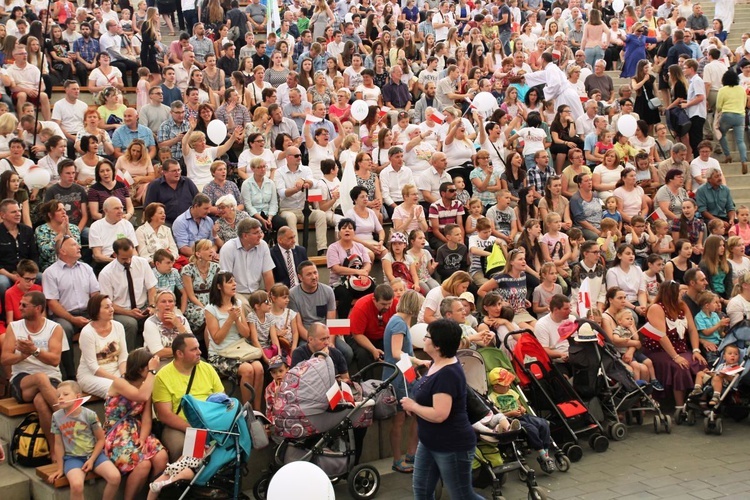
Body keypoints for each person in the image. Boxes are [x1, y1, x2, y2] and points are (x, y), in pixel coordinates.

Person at [400, 319, 482, 500]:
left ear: (437, 345)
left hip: (451, 445)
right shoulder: (435, 364)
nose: (424, 338)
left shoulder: (448, 374)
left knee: (462, 495)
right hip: (429, 442)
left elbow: (439, 414)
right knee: (421, 491)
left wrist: (413, 406)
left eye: (428, 336)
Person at [103, 348, 167, 500]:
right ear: (140, 369)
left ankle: (151, 496)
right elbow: (141, 396)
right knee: (143, 465)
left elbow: (146, 417)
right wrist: (152, 372)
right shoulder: (120, 382)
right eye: (149, 367)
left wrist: (143, 438)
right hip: (116, 433)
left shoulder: (147, 384)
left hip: (136, 429)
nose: (153, 370)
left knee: (161, 457)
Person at [152, 333, 223, 461]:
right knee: (191, 453)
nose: (200, 352)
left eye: (198, 348)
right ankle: (185, 477)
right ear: (180, 354)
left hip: (211, 422)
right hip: (181, 425)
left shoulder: (207, 368)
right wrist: (193, 429)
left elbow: (222, 399)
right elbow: (164, 414)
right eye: (194, 349)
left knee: (228, 445)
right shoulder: (163, 376)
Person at [47, 380, 122, 497]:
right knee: (77, 485)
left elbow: (101, 439)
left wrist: (91, 460)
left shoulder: (89, 415)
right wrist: (60, 469)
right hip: (72, 458)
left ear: (78, 397)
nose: (60, 398)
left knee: (115, 477)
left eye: (65, 394)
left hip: (94, 455)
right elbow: (58, 444)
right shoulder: (56, 417)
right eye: (58, 396)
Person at [382, 290, 428, 473]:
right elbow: (396, 353)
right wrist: (419, 362)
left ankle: (411, 452)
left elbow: (406, 351)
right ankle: (397, 459)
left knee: (416, 413)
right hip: (397, 377)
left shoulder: (399, 320)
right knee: (399, 420)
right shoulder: (399, 324)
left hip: (404, 373)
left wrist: (414, 371)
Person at [204, 271, 264, 409]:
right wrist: (229, 319)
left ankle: (258, 411)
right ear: (219, 286)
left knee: (259, 368)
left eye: (234, 281)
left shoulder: (237, 303)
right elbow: (217, 339)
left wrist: (237, 319)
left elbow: (245, 333)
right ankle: (247, 410)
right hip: (220, 354)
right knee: (247, 370)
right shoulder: (211, 309)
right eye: (230, 282)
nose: (234, 284)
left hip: (239, 349)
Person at [642, 280, 707, 408]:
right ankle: (680, 406)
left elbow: (692, 329)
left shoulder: (682, 306)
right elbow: (661, 336)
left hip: (681, 347)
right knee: (680, 367)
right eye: (679, 292)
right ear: (671, 293)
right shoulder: (656, 308)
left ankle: (701, 401)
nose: (682, 294)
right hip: (660, 350)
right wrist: (676, 357)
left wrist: (695, 350)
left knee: (701, 362)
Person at [43, 233, 99, 380]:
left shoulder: (86, 268)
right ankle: (70, 375)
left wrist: (95, 315)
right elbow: (52, 303)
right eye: (74, 245)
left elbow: (95, 294)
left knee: (108, 321)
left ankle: (103, 369)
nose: (79, 247)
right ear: (62, 251)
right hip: (64, 315)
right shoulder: (50, 273)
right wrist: (73, 319)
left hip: (88, 312)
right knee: (63, 329)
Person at [488, 367, 556, 473]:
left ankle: (546, 453)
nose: (509, 386)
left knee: (543, 423)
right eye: (505, 385)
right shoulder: (492, 397)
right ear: (496, 387)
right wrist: (510, 413)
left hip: (522, 415)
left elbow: (519, 404)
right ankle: (542, 454)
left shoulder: (511, 392)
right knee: (531, 428)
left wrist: (522, 408)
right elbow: (497, 415)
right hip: (510, 420)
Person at [98, 238, 157, 350]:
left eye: (130, 257)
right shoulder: (106, 273)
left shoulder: (142, 263)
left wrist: (152, 306)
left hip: (143, 306)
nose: (128, 261)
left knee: (160, 315)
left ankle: (154, 353)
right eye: (124, 258)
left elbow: (151, 288)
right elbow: (108, 303)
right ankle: (130, 357)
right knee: (131, 324)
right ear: (115, 255)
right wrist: (129, 312)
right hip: (120, 311)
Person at [77, 294, 128, 399]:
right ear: (96, 311)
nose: (111, 310)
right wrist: (117, 380)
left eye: (111, 306)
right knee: (120, 389)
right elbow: (93, 367)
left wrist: (123, 376)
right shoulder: (87, 333)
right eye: (106, 307)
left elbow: (123, 356)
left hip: (116, 371)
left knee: (139, 384)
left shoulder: (118, 326)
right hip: (91, 376)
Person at [218, 217, 274, 307]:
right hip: (236, 292)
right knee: (244, 306)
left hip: (257, 291)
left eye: (260, 232)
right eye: (256, 233)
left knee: (270, 305)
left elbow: (267, 273)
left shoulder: (263, 245)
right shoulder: (228, 248)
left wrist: (271, 295)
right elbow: (225, 278)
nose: (260, 235)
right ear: (245, 236)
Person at [524, 52, 584, 120]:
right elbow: (539, 75)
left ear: (543, 60)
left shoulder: (551, 69)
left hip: (565, 96)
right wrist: (524, 76)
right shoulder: (551, 68)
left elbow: (556, 84)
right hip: (567, 94)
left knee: (575, 118)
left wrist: (546, 90)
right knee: (573, 117)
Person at [143, 290, 191, 368]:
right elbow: (158, 352)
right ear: (156, 305)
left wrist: (179, 325)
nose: (167, 304)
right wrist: (184, 351)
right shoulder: (150, 323)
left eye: (170, 301)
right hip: (159, 361)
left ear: (174, 304)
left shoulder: (182, 320)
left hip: (181, 359)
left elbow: (192, 343)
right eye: (163, 302)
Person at [143, 159, 199, 225]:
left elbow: (198, 201)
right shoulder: (155, 185)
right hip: (165, 222)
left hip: (188, 221)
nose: (177, 173)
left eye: (179, 170)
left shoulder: (187, 182)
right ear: (164, 172)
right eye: (174, 171)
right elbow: (149, 208)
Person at [89, 197, 137, 266]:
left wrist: (131, 261)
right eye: (116, 208)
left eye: (121, 208)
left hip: (128, 262)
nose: (120, 211)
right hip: (106, 263)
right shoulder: (96, 226)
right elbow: (97, 256)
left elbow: (134, 251)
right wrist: (117, 261)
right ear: (106, 211)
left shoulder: (127, 224)